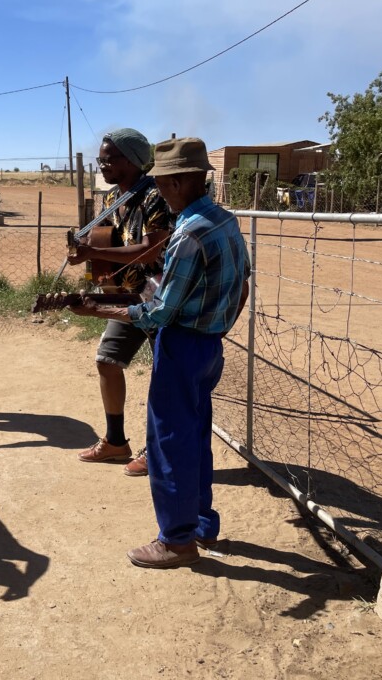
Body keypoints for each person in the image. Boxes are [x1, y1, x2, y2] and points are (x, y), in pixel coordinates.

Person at [70, 137, 250, 568]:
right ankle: (201, 523)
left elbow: (158, 311)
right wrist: (217, 324)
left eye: (166, 183)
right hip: (208, 345)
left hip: (183, 344)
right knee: (194, 437)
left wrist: (95, 308)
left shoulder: (188, 234)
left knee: (168, 442)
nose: (161, 191)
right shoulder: (224, 220)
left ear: (184, 182)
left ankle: (176, 540)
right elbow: (243, 282)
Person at [67, 128, 172, 477]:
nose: (103, 164)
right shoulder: (115, 199)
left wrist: (93, 251)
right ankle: (115, 442)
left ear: (132, 160)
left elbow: (151, 249)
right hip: (126, 297)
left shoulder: (156, 197)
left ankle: (156, 449)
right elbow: (108, 241)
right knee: (107, 361)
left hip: (160, 300)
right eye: (101, 158)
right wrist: (97, 268)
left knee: (165, 378)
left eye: (109, 158)